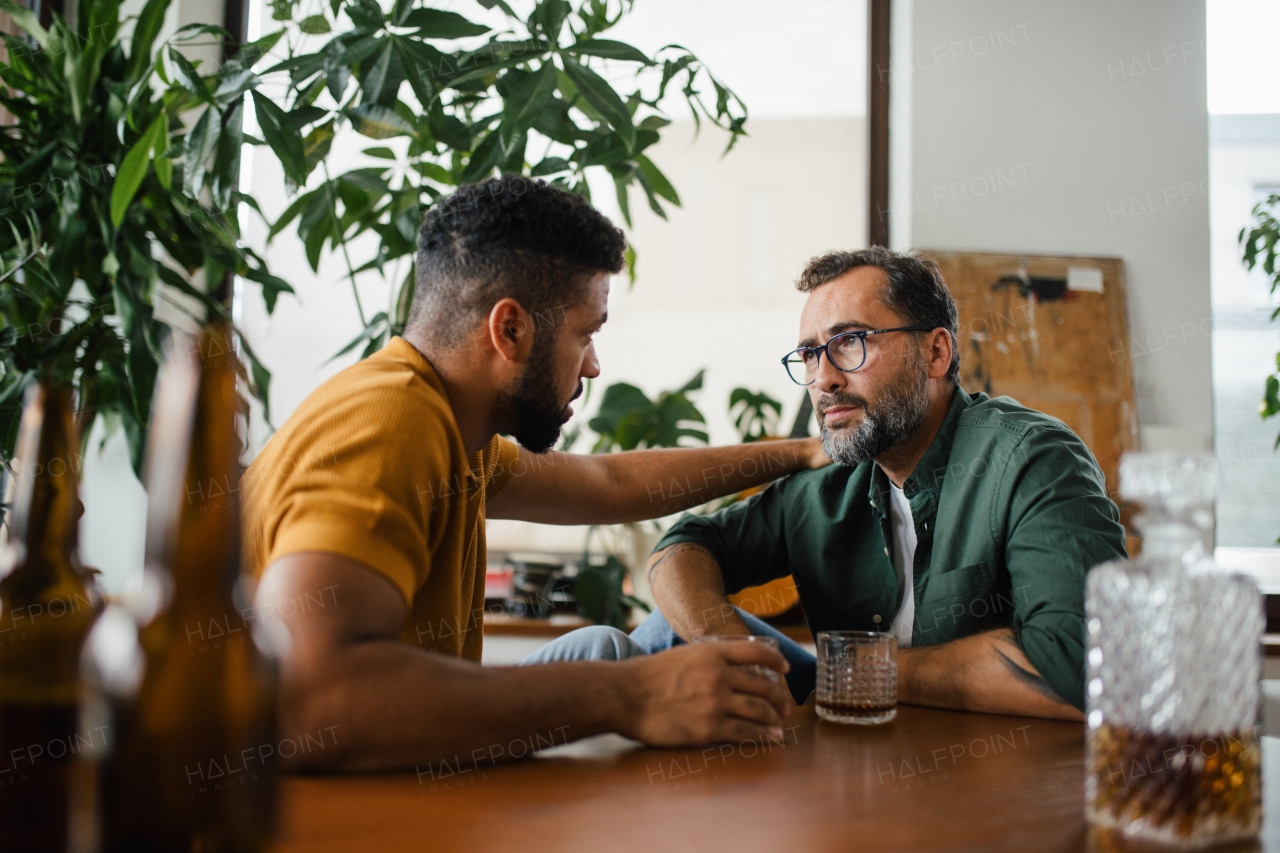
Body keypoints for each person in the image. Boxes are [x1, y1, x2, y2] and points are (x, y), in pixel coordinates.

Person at [242, 175, 832, 772]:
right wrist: (633, 697)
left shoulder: (453, 430)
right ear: (511, 330)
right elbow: (311, 697)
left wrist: (801, 452)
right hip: (296, 806)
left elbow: (611, 486)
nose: (594, 365)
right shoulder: (391, 422)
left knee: (603, 647)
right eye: (586, 334)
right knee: (626, 672)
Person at [535, 247, 1126, 721]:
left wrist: (845, 672)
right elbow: (684, 547)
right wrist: (730, 645)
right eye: (811, 355)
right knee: (651, 634)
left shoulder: (1030, 458)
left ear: (937, 351)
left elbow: (1078, 669)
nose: (823, 379)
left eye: (850, 343)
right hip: (844, 761)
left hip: (977, 784)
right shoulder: (833, 478)